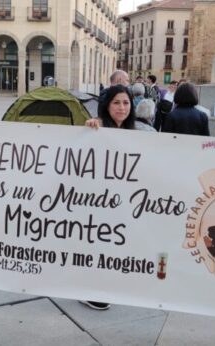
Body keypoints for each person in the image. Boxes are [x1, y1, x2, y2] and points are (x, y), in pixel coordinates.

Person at [82, 84, 149, 311]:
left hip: (122, 203)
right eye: (116, 102)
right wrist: (89, 127)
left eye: (126, 103)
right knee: (96, 246)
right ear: (107, 106)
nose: (122, 108)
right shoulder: (96, 127)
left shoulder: (136, 133)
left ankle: (107, 285)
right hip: (98, 202)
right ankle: (89, 289)